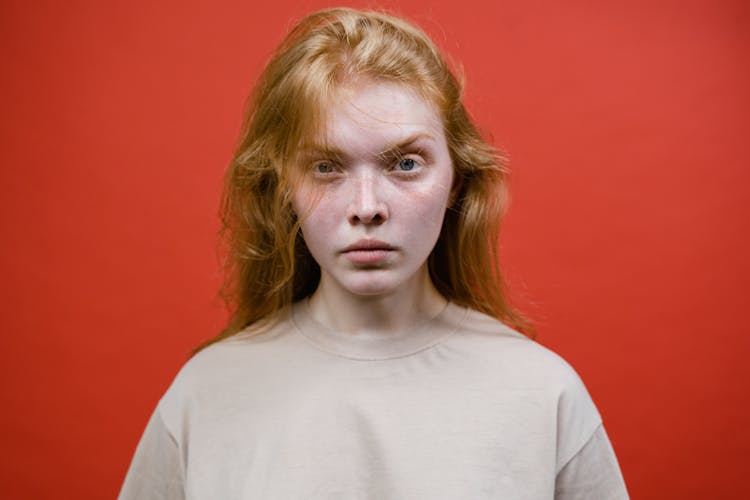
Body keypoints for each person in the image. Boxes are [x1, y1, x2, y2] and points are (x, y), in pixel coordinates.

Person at [119, 7, 628, 499]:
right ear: (283, 187)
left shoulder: (543, 394)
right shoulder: (205, 394)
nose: (367, 208)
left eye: (406, 163)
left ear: (456, 180)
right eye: (325, 167)